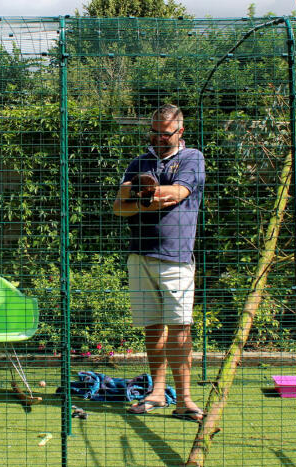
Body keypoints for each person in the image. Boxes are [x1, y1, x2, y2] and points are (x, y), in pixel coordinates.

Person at [112, 104, 206, 423]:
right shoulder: (140, 161)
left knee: (180, 327)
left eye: (163, 133)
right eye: (152, 131)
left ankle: (185, 400)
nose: (156, 137)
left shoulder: (191, 157)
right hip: (140, 256)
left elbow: (178, 193)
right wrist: (142, 195)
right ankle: (157, 392)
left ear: (179, 131)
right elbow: (118, 206)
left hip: (176, 256)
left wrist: (142, 195)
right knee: (153, 327)